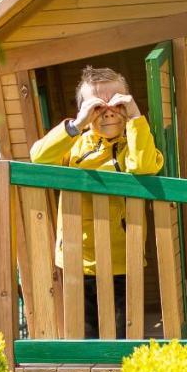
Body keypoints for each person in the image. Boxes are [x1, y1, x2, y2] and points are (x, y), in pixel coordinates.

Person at [29, 66, 164, 339]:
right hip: (77, 259)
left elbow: (143, 167)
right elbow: (39, 157)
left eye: (117, 102)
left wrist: (136, 117)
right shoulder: (75, 145)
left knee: (123, 334)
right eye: (97, 106)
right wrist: (76, 125)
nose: (108, 111)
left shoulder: (135, 142)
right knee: (85, 334)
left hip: (123, 260)